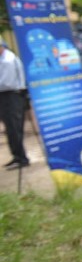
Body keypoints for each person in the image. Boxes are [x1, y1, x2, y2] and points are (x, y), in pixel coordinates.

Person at [0, 39, 30, 171]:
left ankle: (22, 158)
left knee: (14, 127)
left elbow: (7, 83)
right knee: (10, 128)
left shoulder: (8, 60)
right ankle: (17, 156)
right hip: (6, 95)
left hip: (12, 95)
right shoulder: (3, 58)